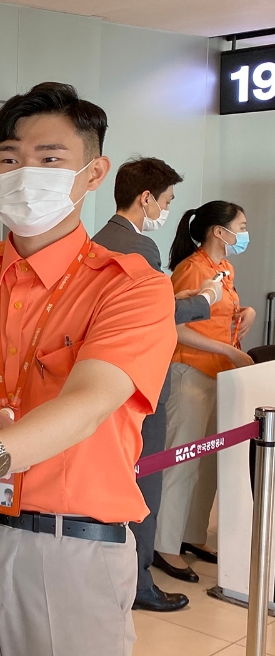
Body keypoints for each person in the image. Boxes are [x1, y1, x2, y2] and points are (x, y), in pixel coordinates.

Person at [0, 82, 176, 656]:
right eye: (9, 158)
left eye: (50, 159)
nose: (25, 173)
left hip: (71, 547)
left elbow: (89, 402)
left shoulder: (133, 287)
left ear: (93, 173)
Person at [92, 157, 223, 612]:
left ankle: (110, 573)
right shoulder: (141, 247)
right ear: (146, 197)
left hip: (104, 384)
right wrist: (205, 300)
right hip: (141, 386)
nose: (166, 210)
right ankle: (139, 582)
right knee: (143, 485)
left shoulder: (95, 242)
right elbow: (152, 318)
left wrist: (171, 295)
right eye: (165, 200)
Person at [153, 201, 254, 582]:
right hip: (190, 372)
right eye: (240, 226)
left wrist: (248, 313)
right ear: (218, 231)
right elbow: (175, 327)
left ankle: (192, 535)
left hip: (219, 376)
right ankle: (164, 544)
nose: (244, 233)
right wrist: (228, 350)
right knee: (182, 461)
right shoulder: (191, 269)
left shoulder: (224, 268)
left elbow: (226, 310)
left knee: (209, 461)